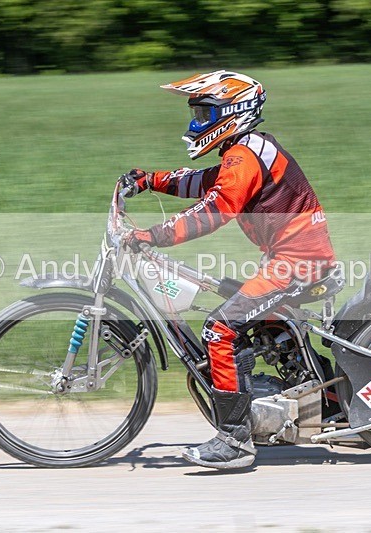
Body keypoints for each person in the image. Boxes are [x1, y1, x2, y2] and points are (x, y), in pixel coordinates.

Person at [119, 70, 336, 469]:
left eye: (204, 113)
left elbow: (215, 209)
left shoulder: (246, 153)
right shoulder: (245, 150)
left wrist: (153, 236)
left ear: (232, 111)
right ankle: (328, 400)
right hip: (289, 257)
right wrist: (150, 180)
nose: (195, 123)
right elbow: (204, 183)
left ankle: (234, 443)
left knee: (219, 328)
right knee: (259, 322)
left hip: (296, 262)